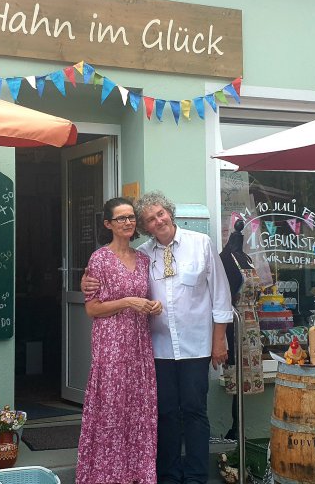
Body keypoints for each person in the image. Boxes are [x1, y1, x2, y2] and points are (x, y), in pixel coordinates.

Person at [83, 190, 234, 484]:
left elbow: (221, 296)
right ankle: (167, 476)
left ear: (169, 213)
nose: (158, 221)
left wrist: (219, 341)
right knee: (164, 413)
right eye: (150, 219)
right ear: (146, 227)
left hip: (195, 346)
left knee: (194, 411)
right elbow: (111, 286)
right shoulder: (144, 254)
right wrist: (87, 282)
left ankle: (195, 477)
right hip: (157, 348)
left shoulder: (201, 243)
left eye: (160, 214)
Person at [76, 197, 161, 484]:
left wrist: (154, 305)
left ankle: (137, 474)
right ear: (108, 224)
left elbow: (150, 297)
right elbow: (92, 309)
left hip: (139, 345)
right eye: (121, 218)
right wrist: (127, 302)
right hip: (110, 346)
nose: (128, 222)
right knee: (111, 410)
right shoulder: (99, 259)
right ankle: (106, 476)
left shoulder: (144, 258)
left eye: (131, 217)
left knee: (138, 411)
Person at [219, 219, 264, 441]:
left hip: (252, 323)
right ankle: (235, 429)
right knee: (237, 376)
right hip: (235, 325)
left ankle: (239, 429)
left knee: (246, 379)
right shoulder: (225, 260)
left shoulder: (247, 258)